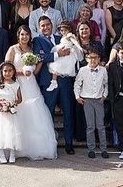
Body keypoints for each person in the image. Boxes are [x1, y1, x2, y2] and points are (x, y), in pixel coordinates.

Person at [3, 25, 58, 160]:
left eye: (26, 34)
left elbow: (36, 71)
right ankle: (14, 147)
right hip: (17, 84)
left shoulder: (33, 50)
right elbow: (5, 69)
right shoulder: (12, 49)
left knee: (35, 112)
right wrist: (22, 72)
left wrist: (38, 63)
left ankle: (35, 146)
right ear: (18, 35)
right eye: (22, 34)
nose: (24, 37)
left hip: (31, 84)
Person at [33, 16, 78, 154]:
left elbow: (71, 52)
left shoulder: (61, 38)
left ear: (51, 25)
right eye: (42, 26)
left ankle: (69, 143)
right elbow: (40, 56)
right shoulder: (37, 40)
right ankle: (50, 144)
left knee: (68, 111)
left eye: (47, 24)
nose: (45, 27)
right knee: (48, 113)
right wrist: (57, 54)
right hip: (48, 81)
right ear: (39, 28)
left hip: (64, 80)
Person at [74, 48, 109, 159]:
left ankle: (103, 149)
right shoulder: (83, 70)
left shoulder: (103, 70)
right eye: (91, 58)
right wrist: (77, 96)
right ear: (86, 58)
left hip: (99, 100)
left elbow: (106, 84)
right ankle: (91, 149)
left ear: (99, 59)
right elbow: (77, 84)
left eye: (95, 58)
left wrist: (104, 96)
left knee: (101, 126)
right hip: (87, 100)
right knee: (90, 126)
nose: (93, 60)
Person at [46, 21, 83, 92]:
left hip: (68, 52)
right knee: (55, 66)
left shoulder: (70, 35)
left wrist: (80, 48)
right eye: (61, 30)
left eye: (65, 30)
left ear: (69, 30)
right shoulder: (62, 36)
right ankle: (54, 81)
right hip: (61, 50)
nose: (63, 32)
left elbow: (75, 42)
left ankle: (54, 82)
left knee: (57, 65)